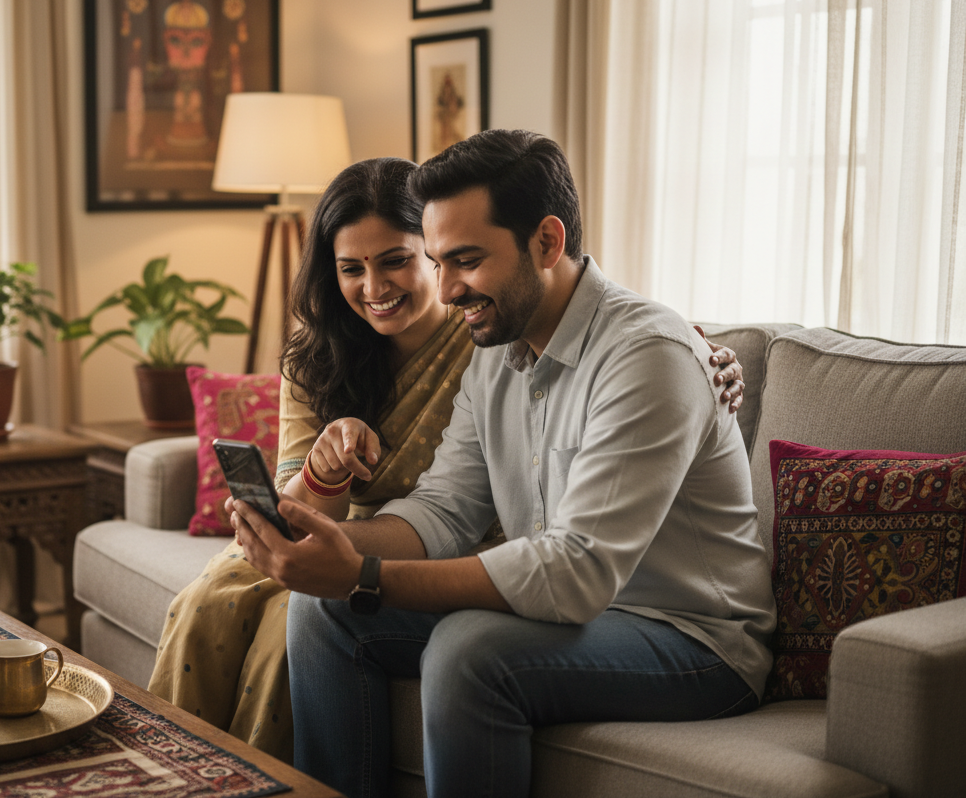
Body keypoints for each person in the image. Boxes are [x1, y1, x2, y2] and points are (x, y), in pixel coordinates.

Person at [228, 130, 776, 797]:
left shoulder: (648, 356)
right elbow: (445, 509)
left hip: (693, 641)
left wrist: (367, 574)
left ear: (546, 242)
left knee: (469, 650)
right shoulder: (496, 352)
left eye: (464, 260)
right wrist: (331, 551)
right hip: (576, 615)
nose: (447, 289)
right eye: (437, 260)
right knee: (324, 611)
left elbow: (576, 572)